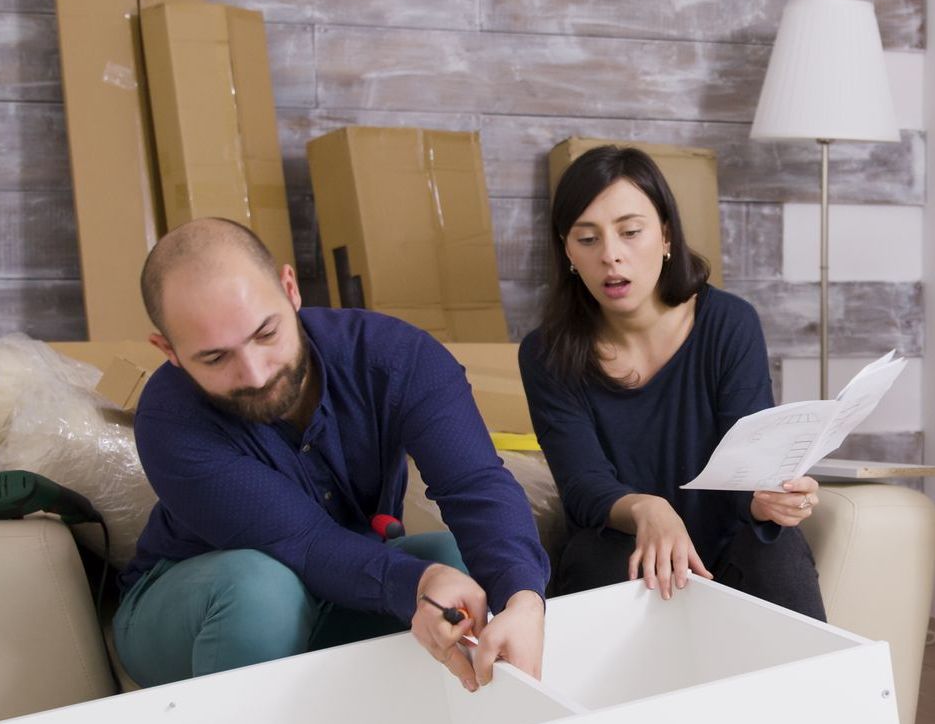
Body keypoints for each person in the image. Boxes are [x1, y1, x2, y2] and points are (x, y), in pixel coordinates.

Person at [114, 217, 548, 692]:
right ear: (169, 350)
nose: (256, 374)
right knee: (262, 589)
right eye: (215, 358)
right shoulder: (170, 418)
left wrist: (523, 600)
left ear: (290, 289)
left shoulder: (395, 357)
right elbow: (303, 542)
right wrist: (416, 584)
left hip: (343, 583)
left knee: (460, 570)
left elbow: (475, 483)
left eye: (266, 334)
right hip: (199, 609)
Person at [519, 145, 826, 619]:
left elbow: (749, 460)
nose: (611, 256)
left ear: (665, 236)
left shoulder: (729, 323)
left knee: (777, 551)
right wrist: (648, 509)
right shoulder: (546, 353)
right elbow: (583, 484)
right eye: (587, 239)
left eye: (630, 232)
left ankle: (817, 693)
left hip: (724, 551)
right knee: (601, 557)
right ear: (567, 252)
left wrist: (772, 502)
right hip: (620, 549)